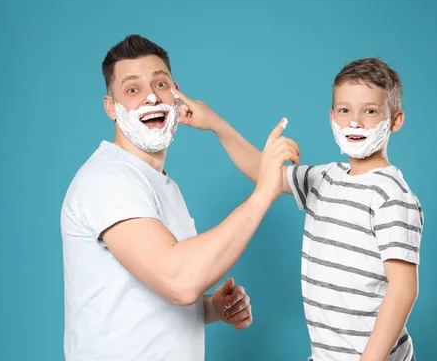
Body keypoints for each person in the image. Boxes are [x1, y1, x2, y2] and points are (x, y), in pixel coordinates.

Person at [59, 34, 300, 361]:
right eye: (133, 89)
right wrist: (264, 193)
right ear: (110, 108)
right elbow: (179, 280)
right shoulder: (109, 179)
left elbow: (153, 290)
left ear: (176, 94)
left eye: (160, 85)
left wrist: (211, 308)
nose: (150, 99)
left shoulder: (159, 184)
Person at [178, 57, 423, 361]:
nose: (355, 122)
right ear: (331, 116)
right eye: (345, 111)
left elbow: (403, 290)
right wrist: (215, 124)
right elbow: (263, 173)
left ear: (396, 120)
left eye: (370, 111)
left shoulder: (392, 195)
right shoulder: (324, 178)